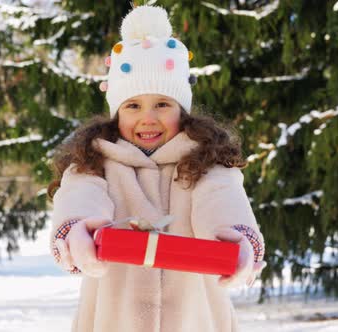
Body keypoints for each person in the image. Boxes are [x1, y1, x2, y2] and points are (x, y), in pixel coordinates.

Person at [47, 5, 266, 332]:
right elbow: (80, 199)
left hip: (196, 322)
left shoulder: (206, 163)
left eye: (162, 104)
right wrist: (76, 230)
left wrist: (239, 239)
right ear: (116, 113)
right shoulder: (94, 165)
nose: (148, 118)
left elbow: (223, 201)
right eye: (133, 105)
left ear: (183, 109)